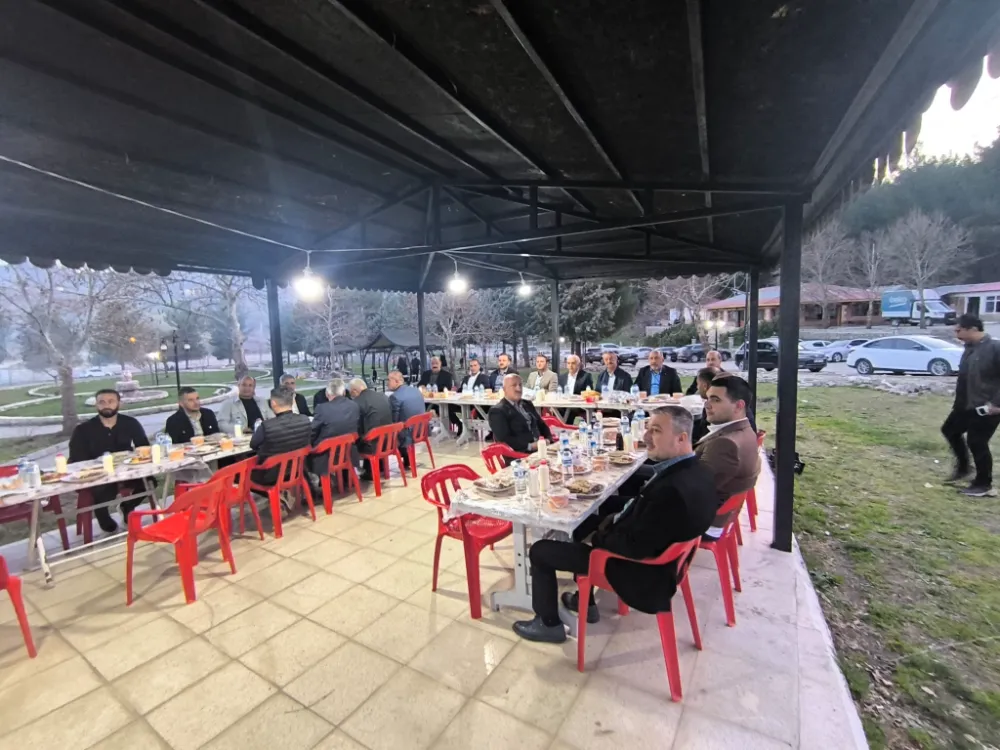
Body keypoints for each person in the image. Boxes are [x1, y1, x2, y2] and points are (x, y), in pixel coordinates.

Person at [511, 405, 717, 643]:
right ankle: (584, 601)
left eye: (656, 430)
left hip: (639, 572)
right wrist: (610, 521)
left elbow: (634, 547)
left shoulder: (671, 492)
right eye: (648, 428)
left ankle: (547, 624)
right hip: (659, 554)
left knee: (540, 551)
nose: (646, 436)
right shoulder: (698, 471)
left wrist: (601, 535)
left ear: (681, 438)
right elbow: (649, 523)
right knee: (583, 522)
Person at [68, 389, 151, 533]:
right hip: (99, 474)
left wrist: (136, 457)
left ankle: (127, 506)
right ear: (96, 405)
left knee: (149, 482)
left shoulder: (130, 423)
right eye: (102, 402)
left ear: (119, 404)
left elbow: (144, 447)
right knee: (105, 489)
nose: (106, 405)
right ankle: (102, 512)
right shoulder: (83, 429)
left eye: (111, 401)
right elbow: (76, 458)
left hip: (127, 469)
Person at [941, 314, 1000, 496]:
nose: (956, 334)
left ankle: (984, 485)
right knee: (950, 430)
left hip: (988, 407)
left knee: (977, 441)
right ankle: (964, 468)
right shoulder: (970, 348)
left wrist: (996, 404)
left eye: (959, 330)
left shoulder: (995, 348)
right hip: (966, 404)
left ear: (973, 329)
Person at [697, 375, 761, 539]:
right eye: (707, 399)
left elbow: (693, 489)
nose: (707, 405)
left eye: (715, 400)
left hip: (704, 522)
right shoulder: (745, 430)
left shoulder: (725, 444)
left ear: (739, 406)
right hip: (718, 511)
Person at [249, 387, 313, 512]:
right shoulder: (305, 420)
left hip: (271, 475)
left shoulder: (266, 426)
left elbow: (253, 445)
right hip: (297, 470)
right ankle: (281, 495)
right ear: (293, 401)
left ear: (273, 403)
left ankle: (278, 496)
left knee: (241, 476)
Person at [310, 378, 362, 491]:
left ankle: (313, 489)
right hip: (349, 451)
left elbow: (312, 432)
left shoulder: (322, 409)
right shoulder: (354, 405)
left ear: (327, 394)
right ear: (343, 392)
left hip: (326, 456)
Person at [487, 373, 553, 454]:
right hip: (521, 453)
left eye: (520, 385)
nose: (518, 389)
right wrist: (530, 446)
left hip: (541, 448)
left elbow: (541, 424)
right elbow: (504, 439)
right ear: (504, 389)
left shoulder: (527, 404)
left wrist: (549, 439)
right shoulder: (497, 411)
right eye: (514, 385)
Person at [349, 378, 393, 480]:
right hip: (390, 441)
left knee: (352, 441)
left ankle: (350, 477)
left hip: (373, 445)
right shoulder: (382, 396)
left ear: (354, 391)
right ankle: (377, 467)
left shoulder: (357, 402)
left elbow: (356, 426)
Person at [388, 369, 426, 472]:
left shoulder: (395, 397)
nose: (387, 383)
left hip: (408, 434)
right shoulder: (416, 391)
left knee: (382, 434)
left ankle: (379, 466)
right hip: (422, 430)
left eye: (389, 380)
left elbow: (394, 421)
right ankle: (407, 459)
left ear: (396, 381)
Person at [690, 367, 719, 444]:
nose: (697, 387)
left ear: (704, 386)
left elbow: (704, 437)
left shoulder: (711, 407)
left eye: (698, 384)